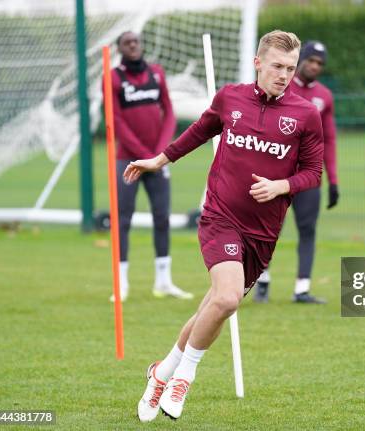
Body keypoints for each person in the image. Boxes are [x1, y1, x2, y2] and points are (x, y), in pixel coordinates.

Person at [124, 30, 324, 422]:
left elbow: (313, 172)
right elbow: (200, 131)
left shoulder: (306, 114)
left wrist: (282, 185)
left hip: (262, 235)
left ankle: (160, 372)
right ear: (258, 63)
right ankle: (184, 377)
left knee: (212, 308)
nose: (284, 75)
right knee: (228, 299)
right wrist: (159, 160)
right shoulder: (230, 98)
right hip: (219, 218)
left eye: (290, 68)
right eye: (277, 66)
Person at [109, 31, 193, 302]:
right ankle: (121, 283)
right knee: (123, 218)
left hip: (157, 159)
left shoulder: (156, 73)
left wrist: (160, 153)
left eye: (136, 41)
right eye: (127, 42)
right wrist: (145, 155)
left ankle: (164, 282)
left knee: (162, 216)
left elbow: (168, 112)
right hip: (128, 159)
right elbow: (117, 121)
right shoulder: (113, 77)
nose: (133, 45)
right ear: (120, 48)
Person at [254, 40, 338, 305]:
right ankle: (262, 280)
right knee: (267, 229)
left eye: (319, 64)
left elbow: (330, 140)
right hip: (275, 174)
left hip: (308, 177)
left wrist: (333, 179)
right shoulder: (280, 87)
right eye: (310, 60)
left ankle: (302, 289)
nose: (314, 66)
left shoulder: (324, 96)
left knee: (307, 229)